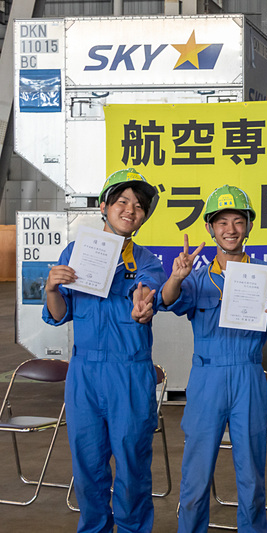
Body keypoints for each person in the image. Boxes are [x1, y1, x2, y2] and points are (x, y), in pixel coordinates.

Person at [158, 185, 267, 533]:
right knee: (196, 476)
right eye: (222, 222)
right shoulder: (196, 278)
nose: (230, 229)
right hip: (206, 379)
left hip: (249, 375)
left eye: (238, 221)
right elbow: (170, 302)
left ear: (249, 226)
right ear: (210, 228)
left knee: (251, 476)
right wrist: (176, 277)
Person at [43, 168, 165, 532]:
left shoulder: (147, 262)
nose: (131, 210)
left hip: (129, 373)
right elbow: (60, 313)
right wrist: (51, 288)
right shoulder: (75, 252)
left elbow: (148, 293)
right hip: (84, 374)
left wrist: (144, 305)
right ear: (105, 207)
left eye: (139, 206)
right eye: (123, 201)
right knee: (88, 466)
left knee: (132, 465)